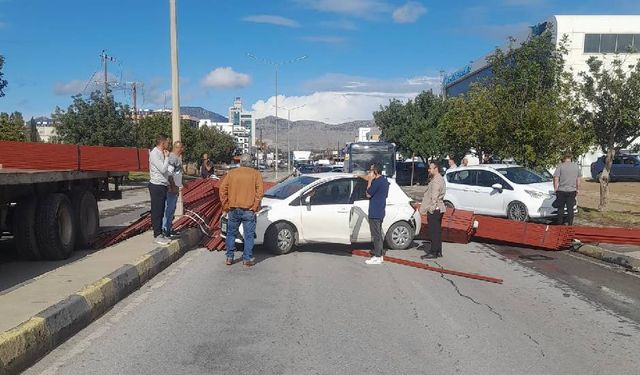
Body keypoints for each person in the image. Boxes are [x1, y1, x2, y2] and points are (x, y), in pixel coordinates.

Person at [220, 153, 264, 267]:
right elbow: (260, 193)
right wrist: (255, 207)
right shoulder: (256, 174)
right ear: (250, 163)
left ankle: (229, 257)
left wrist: (226, 206)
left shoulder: (231, 174)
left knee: (231, 234)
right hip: (249, 210)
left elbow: (222, 190)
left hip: (233, 209)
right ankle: (247, 259)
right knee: (248, 235)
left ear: (241, 162)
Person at [420, 161, 446, 259]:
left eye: (430, 168)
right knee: (437, 231)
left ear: (436, 169)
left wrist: (430, 209)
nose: (429, 170)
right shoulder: (439, 178)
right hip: (439, 209)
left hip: (435, 209)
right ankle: (438, 251)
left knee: (433, 232)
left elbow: (434, 197)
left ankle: (433, 252)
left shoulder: (436, 181)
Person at [365, 164, 390, 265]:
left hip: (375, 211)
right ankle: (379, 253)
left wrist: (370, 181)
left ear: (375, 171)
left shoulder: (377, 182)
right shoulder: (384, 181)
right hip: (380, 210)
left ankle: (377, 256)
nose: (369, 173)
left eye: (371, 171)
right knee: (378, 234)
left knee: (376, 235)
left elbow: (368, 194)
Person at [149, 134, 171, 246]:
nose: (168, 144)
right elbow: (162, 169)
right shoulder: (155, 154)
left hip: (162, 185)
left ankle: (160, 233)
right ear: (162, 143)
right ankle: (157, 234)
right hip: (156, 185)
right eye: (167, 142)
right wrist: (167, 157)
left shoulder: (161, 153)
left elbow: (165, 172)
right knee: (157, 210)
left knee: (161, 210)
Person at [162, 140, 184, 239]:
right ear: (177, 148)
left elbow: (177, 174)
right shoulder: (172, 158)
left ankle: (169, 228)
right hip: (171, 189)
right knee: (169, 209)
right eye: (181, 147)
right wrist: (172, 187)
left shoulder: (177, 158)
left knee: (172, 209)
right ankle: (165, 229)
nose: (183, 149)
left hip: (175, 188)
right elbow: (169, 174)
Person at [553, 152, 581, 225]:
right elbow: (578, 180)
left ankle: (559, 224)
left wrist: (555, 188)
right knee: (570, 209)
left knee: (560, 209)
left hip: (561, 190)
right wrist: (577, 189)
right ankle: (570, 224)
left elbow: (556, 178)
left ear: (564, 157)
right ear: (571, 157)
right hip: (572, 190)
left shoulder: (560, 166)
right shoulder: (576, 166)